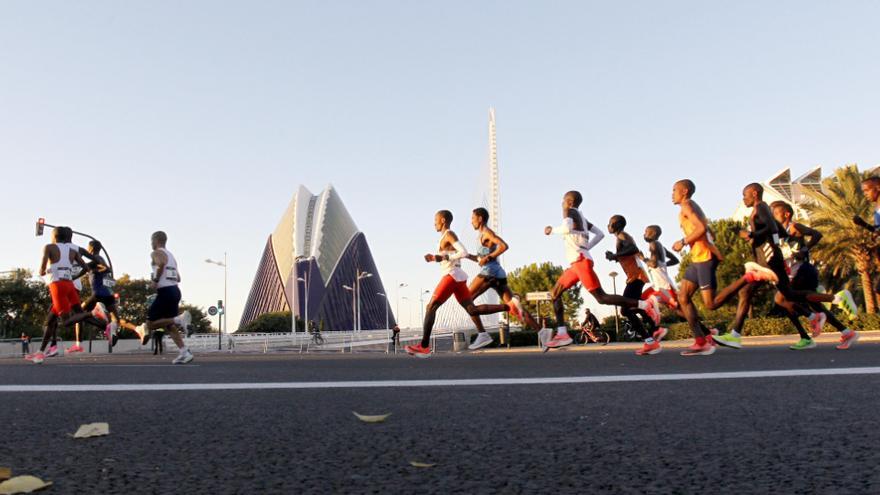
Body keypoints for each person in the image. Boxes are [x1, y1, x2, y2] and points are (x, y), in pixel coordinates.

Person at [712, 184, 840, 350]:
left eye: (745, 195)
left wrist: (751, 235)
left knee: (748, 292)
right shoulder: (761, 209)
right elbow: (777, 228)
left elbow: (772, 228)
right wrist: (775, 237)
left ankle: (735, 335)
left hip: (768, 260)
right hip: (769, 259)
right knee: (787, 294)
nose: (743, 199)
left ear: (754, 193)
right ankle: (824, 308)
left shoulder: (761, 207)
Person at [543, 191, 659, 350]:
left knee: (602, 298)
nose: (562, 203)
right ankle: (562, 334)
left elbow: (566, 228)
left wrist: (551, 231)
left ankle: (645, 304)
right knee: (555, 293)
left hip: (580, 261)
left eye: (563, 201)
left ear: (569, 201)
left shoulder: (569, 211)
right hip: (578, 261)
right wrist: (585, 248)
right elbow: (600, 234)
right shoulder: (582, 219)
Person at [671, 180, 767, 356]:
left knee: (711, 304)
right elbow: (708, 230)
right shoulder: (689, 206)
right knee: (683, 297)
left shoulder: (687, 206)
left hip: (704, 257)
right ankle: (701, 341)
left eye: (674, 190)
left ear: (684, 191)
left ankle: (749, 276)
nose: (672, 194)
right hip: (697, 257)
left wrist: (683, 241)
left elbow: (701, 228)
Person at [405, 211, 513, 358]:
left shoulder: (449, 234)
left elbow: (463, 252)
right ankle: (508, 307)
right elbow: (450, 255)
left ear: (443, 220)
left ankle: (424, 347)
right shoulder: (444, 237)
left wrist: (440, 257)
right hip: (458, 277)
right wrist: (435, 258)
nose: (434, 223)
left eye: (435, 220)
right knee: (472, 310)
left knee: (431, 306)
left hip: (452, 275)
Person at [771, 201, 859, 349]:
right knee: (815, 306)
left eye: (775, 213)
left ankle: (837, 299)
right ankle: (846, 332)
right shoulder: (780, 232)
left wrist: (805, 249)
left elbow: (817, 234)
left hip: (803, 270)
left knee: (781, 298)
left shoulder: (794, 226)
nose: (773, 216)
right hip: (794, 272)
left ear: (786, 214)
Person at [463, 207, 535, 350]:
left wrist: (489, 257)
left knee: (466, 301)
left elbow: (504, 246)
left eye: (472, 218)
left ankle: (483, 333)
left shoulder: (487, 233)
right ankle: (542, 331)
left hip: (489, 273)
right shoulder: (481, 236)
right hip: (497, 274)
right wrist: (465, 255)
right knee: (516, 307)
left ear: (480, 219)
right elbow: (480, 259)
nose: (471, 221)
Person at [26, 227, 93, 364]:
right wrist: (72, 273)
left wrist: (45, 271)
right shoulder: (73, 250)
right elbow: (86, 267)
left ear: (55, 237)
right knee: (50, 321)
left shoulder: (49, 247)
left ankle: (92, 313)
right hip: (69, 285)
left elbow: (42, 269)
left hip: (57, 287)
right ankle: (40, 353)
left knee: (66, 321)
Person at [605, 215, 666, 355]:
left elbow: (633, 248)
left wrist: (615, 256)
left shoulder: (622, 235)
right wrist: (614, 257)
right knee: (632, 306)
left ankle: (651, 338)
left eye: (609, 223)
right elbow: (629, 253)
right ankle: (655, 330)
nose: (608, 226)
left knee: (625, 310)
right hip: (636, 276)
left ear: (615, 224)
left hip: (636, 277)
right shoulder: (621, 237)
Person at [134, 231, 193, 364]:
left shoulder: (156, 253)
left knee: (150, 324)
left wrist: (155, 280)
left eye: (151, 241)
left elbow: (161, 263)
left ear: (156, 240)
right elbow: (178, 277)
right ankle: (184, 352)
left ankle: (180, 319)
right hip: (175, 290)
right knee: (169, 325)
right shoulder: (172, 256)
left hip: (165, 291)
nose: (151, 244)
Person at [78, 240, 122, 347]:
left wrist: (73, 277)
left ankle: (104, 326)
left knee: (78, 314)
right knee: (116, 318)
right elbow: (106, 269)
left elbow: (87, 268)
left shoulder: (96, 259)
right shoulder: (101, 259)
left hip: (98, 294)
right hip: (108, 294)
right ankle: (113, 330)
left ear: (91, 249)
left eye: (87, 248)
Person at [640, 225, 681, 312]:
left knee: (679, 310)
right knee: (642, 301)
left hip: (664, 287)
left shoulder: (653, 244)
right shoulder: (661, 247)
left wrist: (643, 258)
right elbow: (675, 260)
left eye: (646, 232)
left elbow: (654, 264)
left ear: (653, 233)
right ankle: (654, 324)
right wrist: (663, 265)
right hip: (657, 286)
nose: (644, 234)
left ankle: (655, 322)